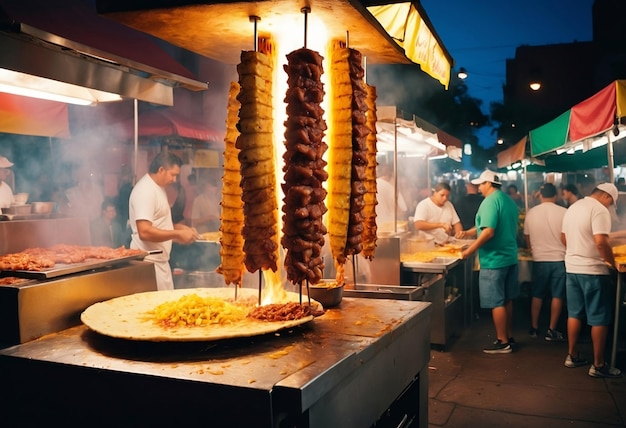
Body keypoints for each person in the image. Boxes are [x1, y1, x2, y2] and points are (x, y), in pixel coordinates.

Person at [561, 183, 622, 378]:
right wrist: (611, 263)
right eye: (611, 202)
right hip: (593, 271)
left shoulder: (574, 207)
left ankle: (572, 355)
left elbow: (564, 237)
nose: (610, 206)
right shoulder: (599, 210)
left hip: (571, 268)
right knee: (599, 318)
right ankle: (598, 364)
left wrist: (578, 250)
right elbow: (601, 242)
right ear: (606, 196)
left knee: (574, 314)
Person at [461, 170, 519, 354]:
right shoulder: (507, 200)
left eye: (481, 184)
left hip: (494, 260)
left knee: (497, 302)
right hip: (509, 257)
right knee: (507, 299)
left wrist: (470, 250)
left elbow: (488, 232)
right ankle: (508, 337)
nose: (479, 188)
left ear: (488, 184)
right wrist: (468, 233)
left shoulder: (489, 202)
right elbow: (485, 226)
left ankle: (502, 342)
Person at [129, 151, 199, 290]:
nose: (174, 180)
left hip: (160, 263)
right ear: (161, 170)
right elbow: (144, 231)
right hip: (148, 265)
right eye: (173, 175)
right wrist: (177, 235)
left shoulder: (158, 188)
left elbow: (159, 223)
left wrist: (180, 228)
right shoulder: (145, 191)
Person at [523, 183, 567, 342]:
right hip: (559, 259)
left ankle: (534, 327)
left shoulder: (531, 213)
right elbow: (566, 237)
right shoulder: (564, 212)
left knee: (537, 294)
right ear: (555, 196)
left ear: (540, 195)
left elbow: (527, 239)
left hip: (539, 259)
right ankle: (552, 329)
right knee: (557, 295)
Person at [376, 161, 407, 233]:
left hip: (373, 228)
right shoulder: (392, 188)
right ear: (391, 174)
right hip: (389, 230)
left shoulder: (370, 186)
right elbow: (401, 212)